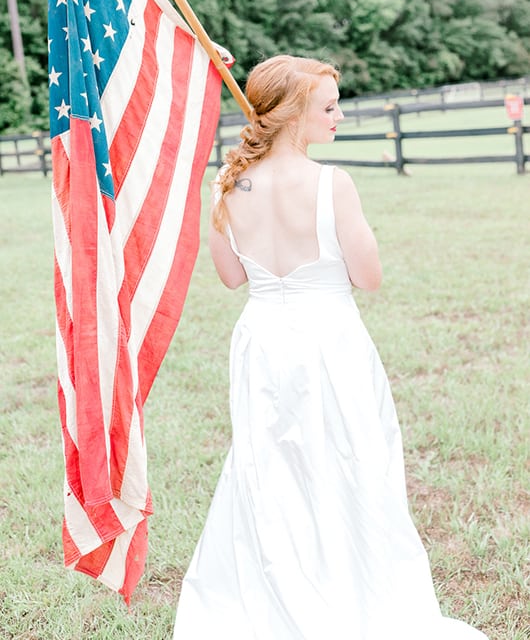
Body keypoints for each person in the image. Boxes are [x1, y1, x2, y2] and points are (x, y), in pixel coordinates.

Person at [172, 55, 488, 639]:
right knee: (349, 460)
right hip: (327, 339)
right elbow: (368, 276)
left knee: (270, 467)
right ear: (294, 114)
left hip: (262, 339)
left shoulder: (227, 181)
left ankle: (277, 590)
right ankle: (350, 592)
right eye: (328, 106)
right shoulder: (331, 183)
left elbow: (231, 278)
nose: (338, 115)